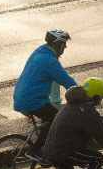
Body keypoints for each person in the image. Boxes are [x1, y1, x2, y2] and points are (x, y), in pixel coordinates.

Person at [13, 29, 77, 161]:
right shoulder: (49, 60)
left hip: (23, 96)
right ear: (58, 45)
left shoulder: (40, 52)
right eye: (64, 45)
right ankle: (36, 151)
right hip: (32, 100)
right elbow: (65, 79)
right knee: (56, 119)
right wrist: (80, 92)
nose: (65, 48)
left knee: (48, 119)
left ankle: (47, 152)